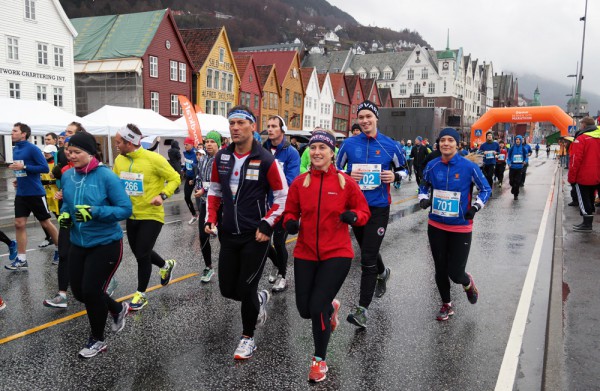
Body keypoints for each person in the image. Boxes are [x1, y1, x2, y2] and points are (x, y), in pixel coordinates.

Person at [283, 130, 370, 382]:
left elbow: (363, 211)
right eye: (313, 147)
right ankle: (331, 307)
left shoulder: (345, 182)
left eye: (323, 147)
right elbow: (290, 212)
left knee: (317, 305)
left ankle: (319, 360)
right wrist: (290, 223)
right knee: (304, 310)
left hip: (337, 253)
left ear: (332, 152)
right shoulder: (300, 183)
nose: (317, 152)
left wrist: (353, 217)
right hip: (305, 252)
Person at [205, 105, 288, 360]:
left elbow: (282, 195)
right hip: (229, 234)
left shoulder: (265, 159)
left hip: (256, 236)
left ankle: (247, 338)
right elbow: (215, 191)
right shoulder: (222, 157)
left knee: (246, 287)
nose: (235, 128)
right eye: (232, 124)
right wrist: (210, 219)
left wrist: (267, 224)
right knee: (228, 290)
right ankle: (260, 299)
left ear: (253, 126)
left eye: (241, 123)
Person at [59, 131, 132, 358]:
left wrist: (94, 212)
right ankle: (118, 308)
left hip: (106, 242)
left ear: (90, 153)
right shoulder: (68, 176)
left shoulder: (106, 176)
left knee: (92, 291)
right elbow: (68, 206)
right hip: (78, 242)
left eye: (77, 152)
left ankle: (97, 340)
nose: (71, 155)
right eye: (69, 151)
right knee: (80, 293)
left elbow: (125, 209)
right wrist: (64, 216)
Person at [336, 100, 407, 329]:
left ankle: (362, 310)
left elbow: (404, 170)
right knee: (368, 247)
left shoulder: (390, 145)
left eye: (369, 116)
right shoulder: (348, 145)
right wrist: (348, 176)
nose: (365, 120)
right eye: (361, 117)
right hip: (356, 207)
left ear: (376, 118)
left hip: (378, 208)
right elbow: (336, 172)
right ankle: (383, 272)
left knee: (367, 257)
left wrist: (394, 177)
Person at [418, 128, 491, 321]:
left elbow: (486, 189)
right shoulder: (432, 165)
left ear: (457, 144)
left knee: (456, 273)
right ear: (438, 143)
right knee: (440, 268)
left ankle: (468, 283)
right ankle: (446, 305)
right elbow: (423, 185)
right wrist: (423, 198)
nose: (446, 143)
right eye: (443, 140)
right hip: (436, 225)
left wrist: (475, 207)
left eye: (451, 140)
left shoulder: (469, 167)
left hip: (460, 227)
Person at [113, 124, 181, 310]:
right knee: (140, 253)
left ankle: (141, 294)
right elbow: (114, 183)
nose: (116, 145)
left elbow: (175, 178)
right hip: (131, 214)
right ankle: (165, 265)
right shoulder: (120, 160)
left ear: (129, 142)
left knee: (142, 253)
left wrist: (163, 195)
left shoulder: (153, 159)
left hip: (152, 214)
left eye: (119, 142)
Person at [6, 122, 59, 271]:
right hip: (22, 193)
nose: (12, 133)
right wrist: (19, 176)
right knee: (19, 224)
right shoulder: (16, 149)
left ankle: (60, 250)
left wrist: (24, 167)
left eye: (15, 131)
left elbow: (43, 167)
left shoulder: (33, 149)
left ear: (24, 134)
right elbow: (23, 168)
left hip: (35, 192)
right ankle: (22, 259)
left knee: (45, 223)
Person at [263, 116, 301, 292]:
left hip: (284, 205)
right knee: (262, 241)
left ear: (282, 130)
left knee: (279, 242)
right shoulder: (262, 149)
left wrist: (270, 181)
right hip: (264, 204)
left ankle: (283, 276)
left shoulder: (291, 152)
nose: (270, 129)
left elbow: (291, 181)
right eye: (268, 126)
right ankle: (277, 264)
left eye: (274, 126)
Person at [194, 131, 221, 282]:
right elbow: (199, 176)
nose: (209, 144)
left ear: (218, 143)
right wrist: (199, 188)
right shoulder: (203, 159)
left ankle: (228, 266)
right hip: (205, 202)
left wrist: (204, 189)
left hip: (220, 203)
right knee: (202, 235)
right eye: (207, 141)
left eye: (212, 141)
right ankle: (209, 267)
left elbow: (221, 183)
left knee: (225, 239)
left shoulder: (222, 159)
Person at [568, 117, 600, 232]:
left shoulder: (581, 139)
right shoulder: (598, 137)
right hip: (597, 175)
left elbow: (575, 159)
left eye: (581, 125)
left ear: (584, 126)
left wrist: (572, 177)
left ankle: (587, 224)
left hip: (584, 176)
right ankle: (588, 223)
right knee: (591, 198)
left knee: (584, 199)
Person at [40, 144, 60, 263]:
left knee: (60, 218)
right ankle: (50, 238)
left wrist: (48, 181)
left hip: (57, 196)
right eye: (44, 152)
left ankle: (63, 243)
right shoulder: (44, 164)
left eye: (48, 152)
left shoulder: (56, 165)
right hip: (47, 196)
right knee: (45, 218)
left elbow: (58, 179)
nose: (45, 154)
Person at [182, 137, 199, 224]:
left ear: (191, 145)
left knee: (200, 198)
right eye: (184, 144)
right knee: (186, 197)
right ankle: (194, 215)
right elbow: (186, 163)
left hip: (196, 178)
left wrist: (194, 179)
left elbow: (198, 168)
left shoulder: (196, 154)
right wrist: (183, 170)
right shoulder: (185, 153)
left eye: (187, 144)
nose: (185, 146)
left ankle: (205, 216)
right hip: (188, 178)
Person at [507, 135, 528, 200]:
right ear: (515, 140)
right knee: (511, 181)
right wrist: (509, 163)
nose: (518, 140)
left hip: (519, 167)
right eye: (516, 139)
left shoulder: (523, 148)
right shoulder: (512, 148)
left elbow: (526, 157)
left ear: (521, 141)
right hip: (512, 167)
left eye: (519, 139)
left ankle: (516, 194)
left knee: (518, 181)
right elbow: (509, 157)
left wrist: (525, 161)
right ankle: (513, 188)